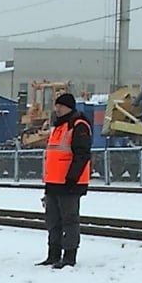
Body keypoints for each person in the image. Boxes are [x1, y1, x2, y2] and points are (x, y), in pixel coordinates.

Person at [38, 92, 90, 269]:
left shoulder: (78, 125)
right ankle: (53, 255)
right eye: (56, 105)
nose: (57, 108)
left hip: (69, 183)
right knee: (53, 220)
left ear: (69, 107)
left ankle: (69, 256)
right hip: (53, 182)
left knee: (69, 220)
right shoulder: (58, 127)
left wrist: (72, 178)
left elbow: (82, 155)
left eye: (60, 105)